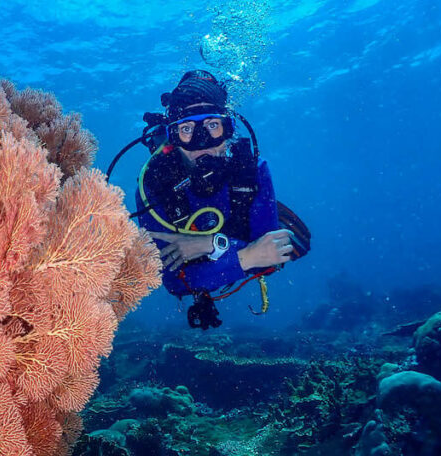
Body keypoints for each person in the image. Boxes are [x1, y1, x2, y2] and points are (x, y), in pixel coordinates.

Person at [131, 70, 309, 329]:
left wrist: (212, 244)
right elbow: (172, 281)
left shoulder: (252, 170)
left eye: (213, 126)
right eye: (187, 130)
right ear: (173, 137)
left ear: (228, 130)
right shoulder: (154, 185)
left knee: (292, 243)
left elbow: (269, 260)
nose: (202, 142)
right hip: (232, 249)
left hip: (226, 248)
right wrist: (247, 254)